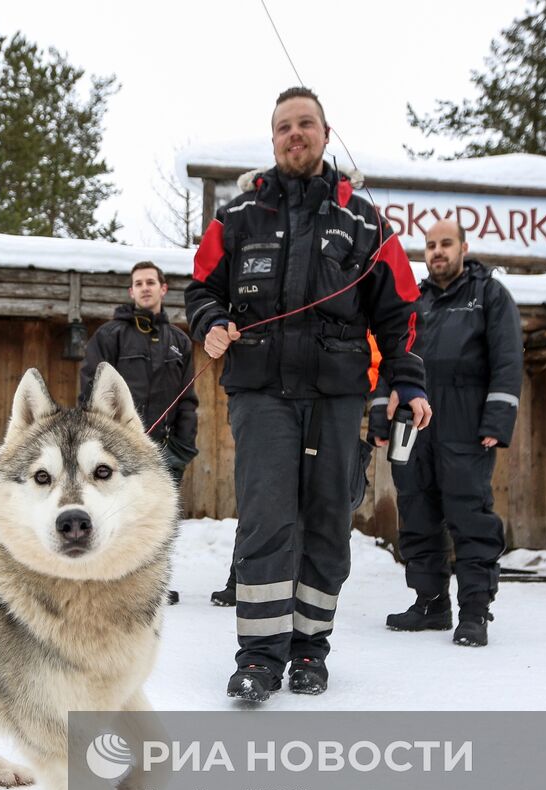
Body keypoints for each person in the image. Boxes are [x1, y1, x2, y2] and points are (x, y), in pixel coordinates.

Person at [186, 86, 430, 701]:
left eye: (305, 124)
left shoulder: (365, 219)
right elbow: (198, 289)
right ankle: (260, 657)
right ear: (272, 140)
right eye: (283, 127)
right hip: (261, 392)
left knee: (326, 524)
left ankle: (310, 650)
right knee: (268, 519)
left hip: (336, 395)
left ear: (325, 133)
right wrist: (211, 323)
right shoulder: (237, 217)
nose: (295, 134)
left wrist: (408, 379)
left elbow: (399, 310)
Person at [371, 218, 523, 647]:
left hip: (464, 423)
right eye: (431, 245)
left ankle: (475, 611)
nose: (437, 252)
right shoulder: (412, 301)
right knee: (416, 514)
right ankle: (430, 603)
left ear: (463, 247)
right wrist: (381, 414)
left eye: (446, 244)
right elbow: (391, 359)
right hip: (414, 426)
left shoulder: (489, 295)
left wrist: (497, 420)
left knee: (470, 516)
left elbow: (508, 361)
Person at [79, 260, 199, 604]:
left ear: (163, 289)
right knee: (117, 512)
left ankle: (153, 582)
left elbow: (188, 399)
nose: (145, 287)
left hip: (164, 447)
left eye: (151, 282)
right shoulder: (110, 335)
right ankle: (109, 580)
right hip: (116, 450)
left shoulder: (179, 341)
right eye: (138, 283)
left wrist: (185, 445)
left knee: (156, 516)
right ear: (131, 292)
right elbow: (90, 391)